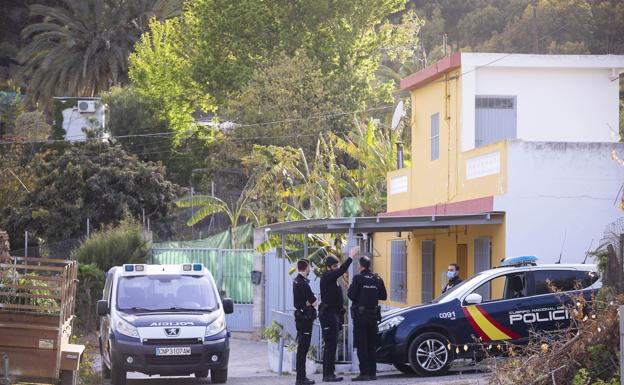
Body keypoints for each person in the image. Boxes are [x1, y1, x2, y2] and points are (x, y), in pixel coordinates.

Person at [319, 248, 358, 382]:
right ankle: (328, 375)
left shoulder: (332, 278)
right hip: (328, 315)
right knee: (330, 345)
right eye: (335, 266)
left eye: (337, 266)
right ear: (329, 267)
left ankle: (330, 373)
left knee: (332, 345)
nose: (337, 268)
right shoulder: (327, 276)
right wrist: (351, 257)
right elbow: (341, 271)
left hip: (334, 314)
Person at [347, 256, 387, 381]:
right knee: (371, 344)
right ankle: (372, 373)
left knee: (362, 344)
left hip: (361, 316)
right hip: (373, 315)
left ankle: (364, 373)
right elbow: (384, 296)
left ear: (360, 266)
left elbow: (351, 295)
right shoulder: (377, 278)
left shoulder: (358, 278)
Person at [293, 259, 317, 385]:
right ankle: (301, 378)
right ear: (306, 268)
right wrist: (309, 302)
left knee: (302, 349)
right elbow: (313, 300)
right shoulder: (302, 283)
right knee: (303, 349)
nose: (310, 269)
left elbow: (300, 302)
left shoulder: (296, 281)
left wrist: (307, 302)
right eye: (309, 267)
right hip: (305, 319)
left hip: (301, 318)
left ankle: (301, 377)